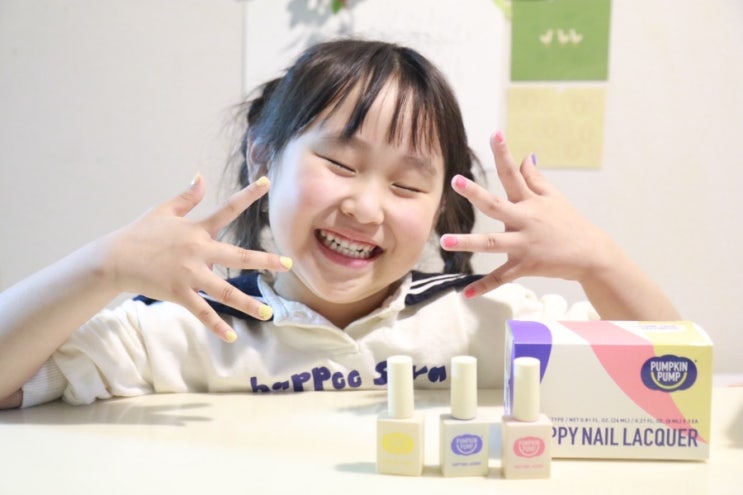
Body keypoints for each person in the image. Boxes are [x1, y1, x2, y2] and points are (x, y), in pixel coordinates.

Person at [0, 39, 679, 410]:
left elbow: (671, 377)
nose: (366, 207)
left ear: (440, 204)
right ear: (264, 158)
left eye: (406, 185)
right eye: (339, 164)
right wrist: (106, 265)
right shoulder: (186, 328)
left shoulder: (487, 320)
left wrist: (600, 259)